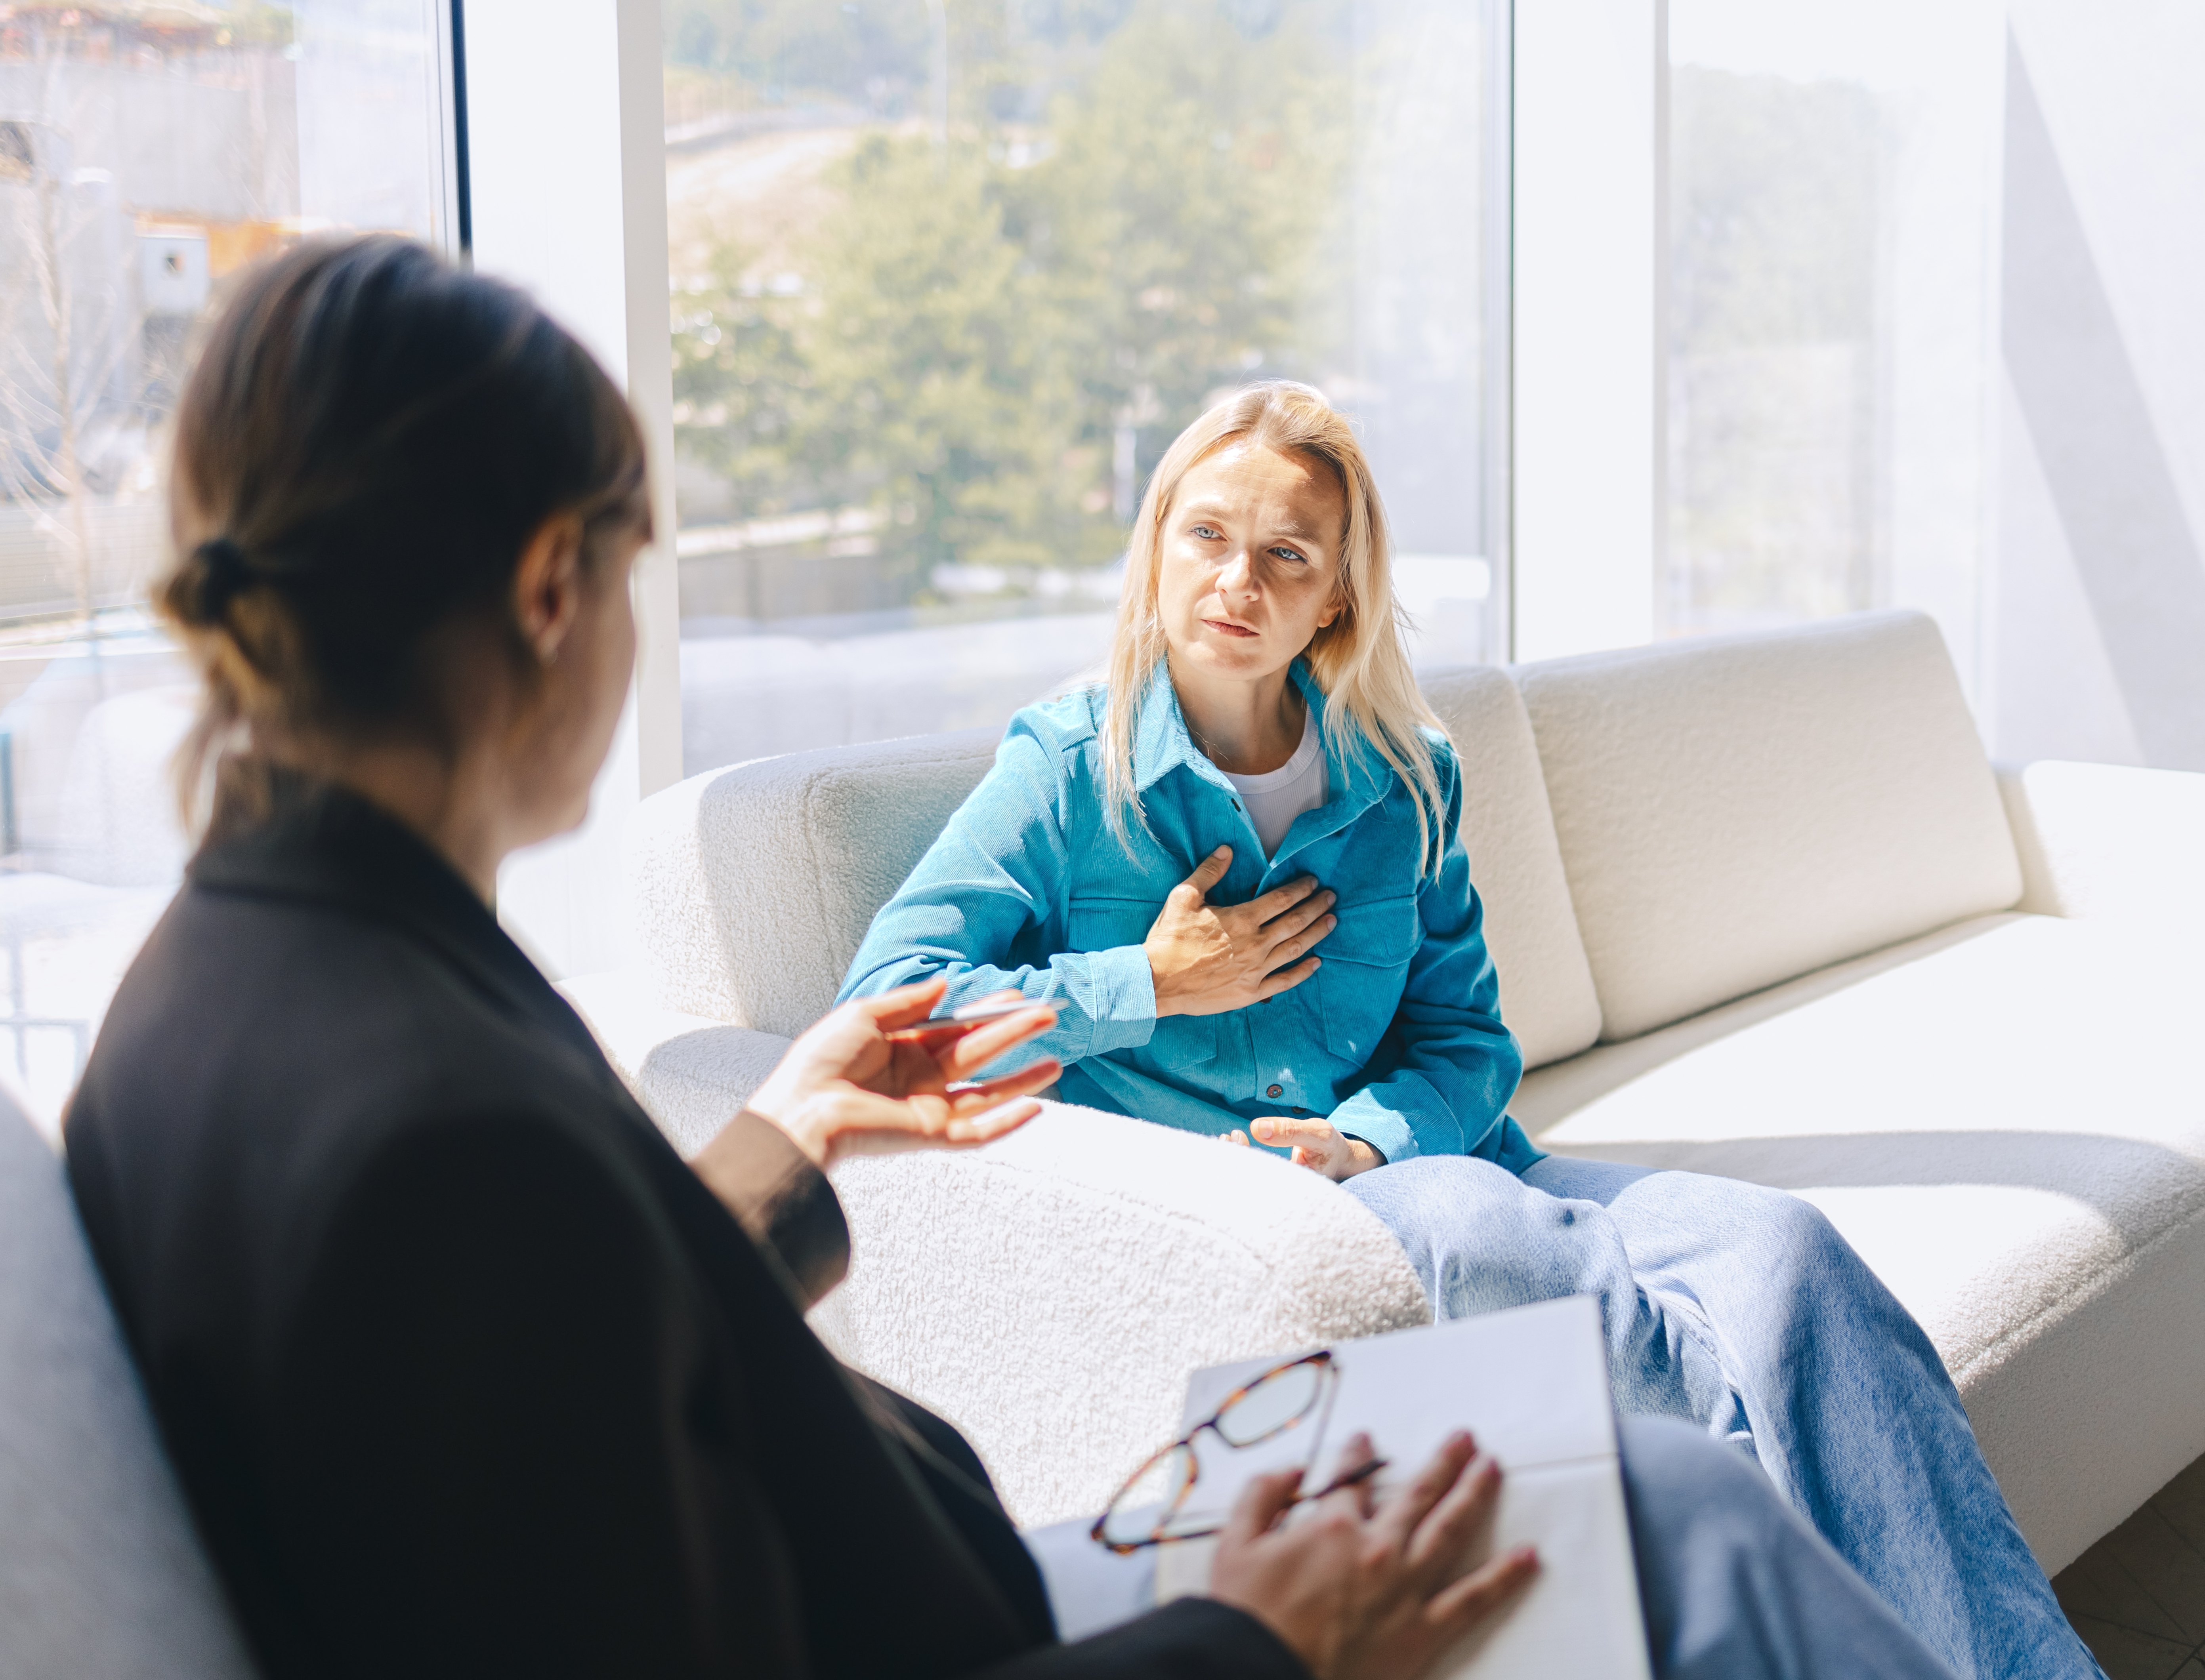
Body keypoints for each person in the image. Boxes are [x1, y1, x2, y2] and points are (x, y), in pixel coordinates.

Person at [61, 236, 1959, 1680]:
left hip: (977, 1566)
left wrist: (781, 1144)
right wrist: (1254, 1635)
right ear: (554, 583)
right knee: (1678, 1512)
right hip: (1023, 1625)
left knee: (1730, 1327)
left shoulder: (261, 991)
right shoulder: (421, 1118)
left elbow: (569, 1346)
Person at [838, 381, 2104, 1680]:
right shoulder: (1062, 769)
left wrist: (1364, 1141)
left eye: (1286, 554)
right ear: (1156, 544)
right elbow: (882, 1003)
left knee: (1782, 1245)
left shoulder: (1404, 774)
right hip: (1248, 1213)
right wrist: (1147, 981)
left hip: (1433, 1158)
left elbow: (1464, 1041)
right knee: (1478, 1229)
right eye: (1206, 535)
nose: (1238, 579)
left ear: (1334, 594)